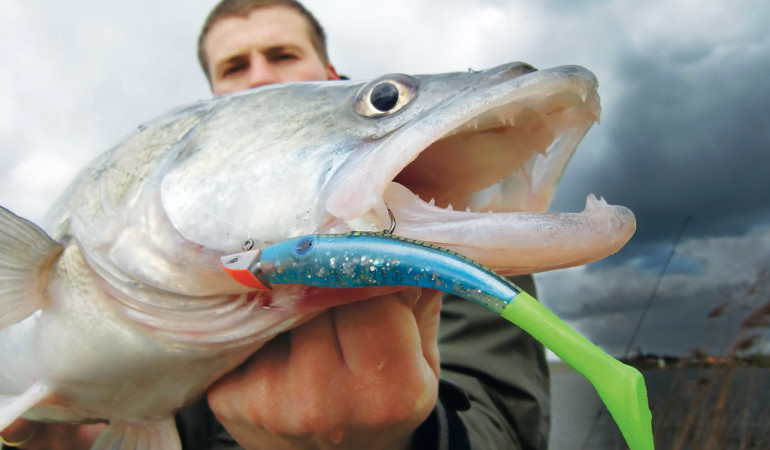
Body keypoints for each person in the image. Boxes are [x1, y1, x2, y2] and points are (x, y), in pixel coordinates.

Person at [0, 1, 549, 448]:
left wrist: (416, 440)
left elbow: (506, 419)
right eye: (234, 67)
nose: (258, 75)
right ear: (212, 102)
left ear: (331, 75)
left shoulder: (447, 231)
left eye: (282, 55)